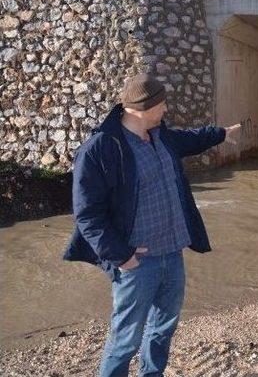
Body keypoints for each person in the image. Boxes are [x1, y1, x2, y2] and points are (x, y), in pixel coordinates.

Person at [62, 73, 241, 376]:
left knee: (163, 328)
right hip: (135, 262)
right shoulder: (101, 149)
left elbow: (194, 138)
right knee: (125, 339)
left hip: (172, 254)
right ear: (142, 108)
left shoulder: (162, 136)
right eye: (162, 104)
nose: (166, 109)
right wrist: (121, 255)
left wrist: (223, 133)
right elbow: (88, 215)